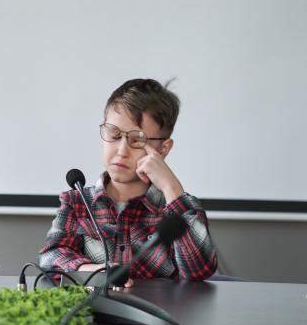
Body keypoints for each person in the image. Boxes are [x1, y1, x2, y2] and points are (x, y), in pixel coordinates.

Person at [39, 79, 217, 286]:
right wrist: (92, 270)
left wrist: (171, 187)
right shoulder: (78, 201)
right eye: (114, 135)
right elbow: (50, 256)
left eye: (137, 140)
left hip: (159, 307)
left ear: (163, 149)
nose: (122, 151)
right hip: (94, 306)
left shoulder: (181, 206)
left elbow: (199, 270)